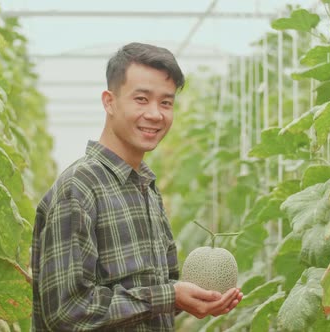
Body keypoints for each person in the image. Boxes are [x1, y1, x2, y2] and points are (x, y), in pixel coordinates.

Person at [31, 42, 243, 331]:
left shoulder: (146, 189)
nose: (155, 114)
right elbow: (67, 311)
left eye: (166, 103)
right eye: (141, 99)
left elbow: (153, 297)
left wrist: (188, 300)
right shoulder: (78, 189)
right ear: (109, 101)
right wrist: (169, 295)